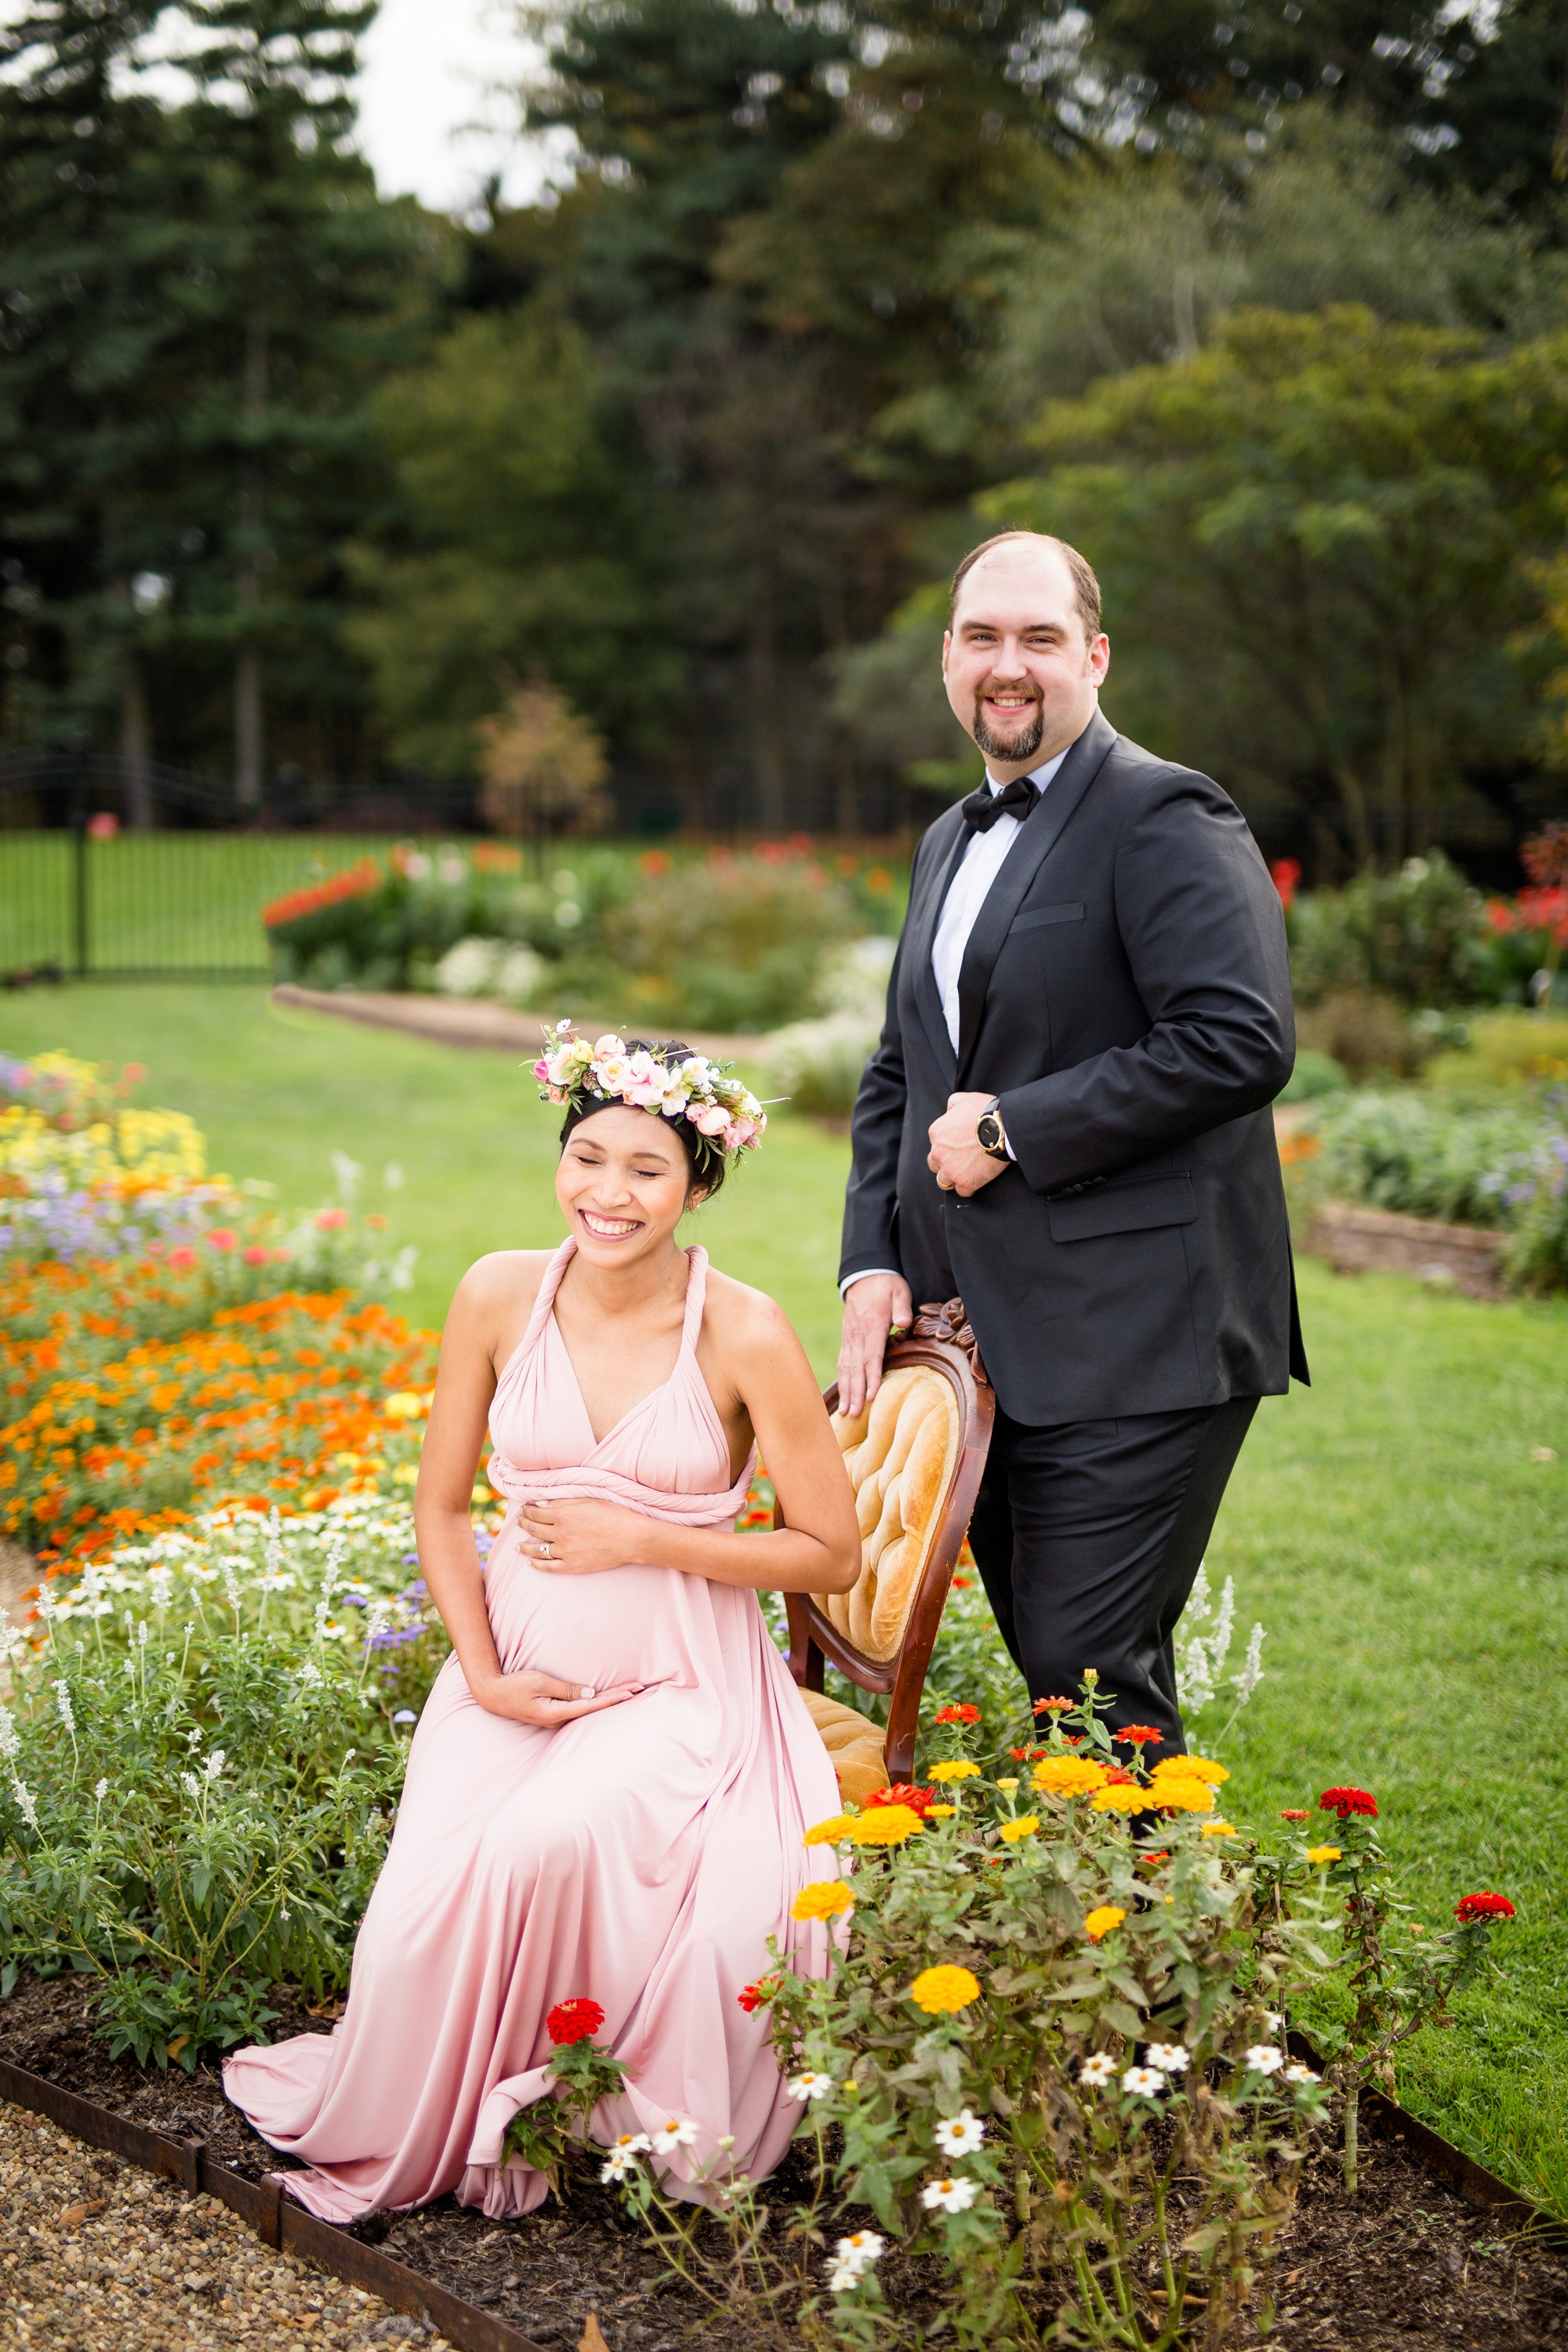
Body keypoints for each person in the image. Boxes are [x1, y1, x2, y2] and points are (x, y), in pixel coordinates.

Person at [225, 1032, 859, 2222]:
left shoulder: (744, 1333)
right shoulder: (498, 1291)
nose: (607, 1195)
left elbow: (830, 1551)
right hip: (511, 1676)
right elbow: (442, 1501)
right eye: (586, 1158)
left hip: (681, 1692)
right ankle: (449, 2111)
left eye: (647, 1170)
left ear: (700, 1184)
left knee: (540, 1846)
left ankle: (564, 2113)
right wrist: (481, 1675)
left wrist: (647, 1537)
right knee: (414, 1931)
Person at [837, 530, 1307, 1762]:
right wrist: (869, 1261)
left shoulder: (1164, 811)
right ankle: (1122, 1926)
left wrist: (1011, 1127)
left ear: (1093, 657)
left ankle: (1149, 1937)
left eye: (1040, 638)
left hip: (1145, 1327)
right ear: (948, 658)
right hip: (983, 1331)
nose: (1010, 665)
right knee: (1067, 1675)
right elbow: (902, 1068)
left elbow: (1240, 1039)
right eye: (984, 637)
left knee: (1087, 1672)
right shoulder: (950, 839)